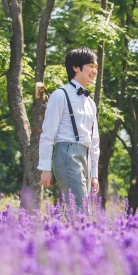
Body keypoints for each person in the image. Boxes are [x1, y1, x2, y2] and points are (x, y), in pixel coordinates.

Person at [39, 47, 100, 207]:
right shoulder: (60, 95)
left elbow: (94, 141)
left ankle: (63, 232)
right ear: (75, 67)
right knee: (80, 208)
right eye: (91, 66)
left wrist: (94, 173)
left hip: (85, 156)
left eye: (96, 67)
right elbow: (47, 134)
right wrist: (45, 168)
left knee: (81, 208)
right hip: (67, 154)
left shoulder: (91, 103)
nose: (94, 71)